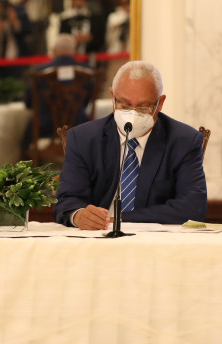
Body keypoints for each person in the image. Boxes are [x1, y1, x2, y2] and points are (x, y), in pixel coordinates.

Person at [55, 61, 207, 229]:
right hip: (96, 238)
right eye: (124, 105)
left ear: (160, 103)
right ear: (113, 97)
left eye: (143, 107)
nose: (132, 114)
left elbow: (193, 208)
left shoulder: (184, 141)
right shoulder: (83, 139)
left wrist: (118, 219)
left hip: (156, 239)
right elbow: (67, 201)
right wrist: (78, 216)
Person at [21, 35, 93, 153]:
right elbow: (87, 102)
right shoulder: (87, 72)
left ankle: (28, 159)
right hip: (79, 125)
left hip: (45, 127)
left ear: (53, 51)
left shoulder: (38, 72)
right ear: (74, 51)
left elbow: (28, 103)